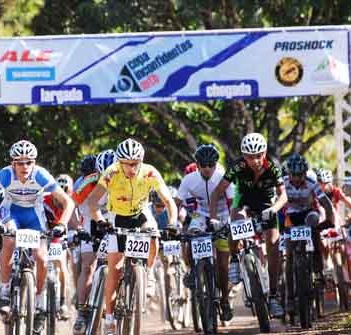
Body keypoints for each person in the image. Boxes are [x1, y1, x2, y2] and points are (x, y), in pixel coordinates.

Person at [0, 140, 75, 332]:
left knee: (41, 257)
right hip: (11, 212)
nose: (24, 166)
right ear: (13, 163)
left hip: (34, 215)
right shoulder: (4, 175)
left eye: (29, 162)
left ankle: (38, 301)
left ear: (34, 162)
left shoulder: (41, 174)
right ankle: (4, 291)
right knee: (9, 240)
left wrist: (62, 224)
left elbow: (67, 202)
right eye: (19, 162)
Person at [87, 138, 178, 335]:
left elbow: (169, 201)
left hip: (141, 213)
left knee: (154, 235)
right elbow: (93, 201)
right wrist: (100, 220)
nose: (131, 168)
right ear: (119, 162)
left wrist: (172, 223)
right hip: (118, 217)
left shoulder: (150, 172)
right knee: (115, 268)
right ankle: (109, 318)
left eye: (135, 163)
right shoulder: (111, 173)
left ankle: (149, 274)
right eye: (127, 164)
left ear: (141, 161)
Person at [210, 132, 288, 318]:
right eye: (250, 156)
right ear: (244, 156)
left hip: (266, 205)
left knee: (273, 242)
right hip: (243, 202)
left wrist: (274, 209)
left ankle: (274, 295)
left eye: (259, 155)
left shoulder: (273, 168)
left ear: (265, 152)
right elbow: (216, 193)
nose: (255, 160)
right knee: (236, 221)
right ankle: (235, 258)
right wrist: (213, 218)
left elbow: (283, 195)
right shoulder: (237, 167)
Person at [176, 144, 235, 320]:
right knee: (191, 235)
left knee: (223, 266)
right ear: (197, 164)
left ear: (216, 164)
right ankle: (193, 270)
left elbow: (232, 201)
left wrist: (231, 222)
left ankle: (224, 300)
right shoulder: (189, 179)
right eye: (204, 164)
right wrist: (173, 223)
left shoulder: (223, 177)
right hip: (200, 215)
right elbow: (177, 202)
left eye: (211, 164)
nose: (208, 168)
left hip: (223, 215)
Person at [281, 154, 334, 313]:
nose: (297, 179)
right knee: (289, 256)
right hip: (290, 217)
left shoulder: (312, 184)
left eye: (300, 175)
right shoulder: (282, 184)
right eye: (293, 175)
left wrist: (329, 220)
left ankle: (318, 271)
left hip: (307, 215)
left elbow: (326, 203)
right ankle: (290, 297)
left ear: (305, 173)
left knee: (315, 225)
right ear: (288, 173)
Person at [72, 149, 116, 335]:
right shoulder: (85, 184)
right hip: (91, 221)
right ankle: (82, 311)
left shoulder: (124, 178)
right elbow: (70, 207)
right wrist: (79, 229)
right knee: (88, 264)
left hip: (114, 219)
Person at [44, 173, 77, 320]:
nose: (60, 199)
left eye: (66, 193)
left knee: (61, 262)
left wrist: (77, 234)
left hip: (59, 234)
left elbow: (77, 224)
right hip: (43, 232)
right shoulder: (44, 200)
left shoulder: (70, 203)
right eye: (59, 193)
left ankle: (63, 302)